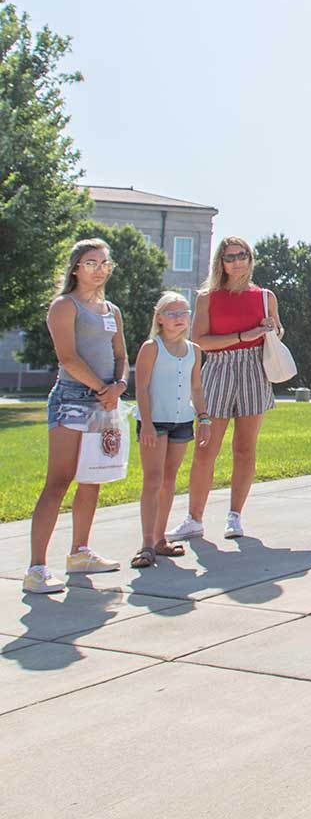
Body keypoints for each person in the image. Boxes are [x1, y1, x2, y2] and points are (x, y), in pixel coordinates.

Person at [25, 239, 126, 594]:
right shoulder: (63, 306)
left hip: (105, 401)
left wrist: (119, 385)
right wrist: (102, 387)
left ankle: (79, 552)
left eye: (104, 262)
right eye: (90, 262)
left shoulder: (112, 311)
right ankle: (36, 568)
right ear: (75, 268)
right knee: (59, 481)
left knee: (92, 478)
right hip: (72, 399)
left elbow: (121, 356)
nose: (99, 268)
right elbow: (67, 358)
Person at [165, 237, 280, 542]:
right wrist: (244, 335)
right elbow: (201, 340)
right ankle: (194, 518)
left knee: (245, 449)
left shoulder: (266, 296)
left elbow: (277, 333)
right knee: (206, 448)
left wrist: (272, 329)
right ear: (221, 262)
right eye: (230, 257)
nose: (238, 262)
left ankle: (235, 516)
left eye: (243, 255)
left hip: (254, 370)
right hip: (218, 368)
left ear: (250, 259)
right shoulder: (207, 297)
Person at [131, 293, 210, 568]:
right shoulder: (152, 347)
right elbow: (141, 388)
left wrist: (204, 418)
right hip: (155, 422)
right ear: (160, 319)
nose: (179, 319)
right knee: (152, 480)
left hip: (182, 422)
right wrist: (148, 423)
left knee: (169, 479)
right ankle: (146, 544)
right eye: (172, 314)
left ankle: (160, 539)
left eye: (183, 312)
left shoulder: (194, 350)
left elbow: (196, 386)